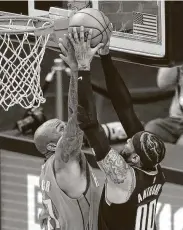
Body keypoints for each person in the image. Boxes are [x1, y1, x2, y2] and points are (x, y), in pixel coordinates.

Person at [62, 26, 166, 230]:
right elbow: (125, 108)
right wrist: (106, 56)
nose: (127, 139)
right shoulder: (153, 169)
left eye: (130, 144)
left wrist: (84, 67)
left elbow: (90, 125)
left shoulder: (123, 177)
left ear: (136, 159)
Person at [34, 36, 104, 230]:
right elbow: (78, 116)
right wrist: (79, 69)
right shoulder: (63, 159)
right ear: (51, 146)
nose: (66, 126)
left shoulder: (47, 171)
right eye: (60, 129)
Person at [145, 66, 183, 145]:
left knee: (181, 145)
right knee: (151, 129)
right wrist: (175, 58)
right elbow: (163, 83)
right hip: (177, 120)